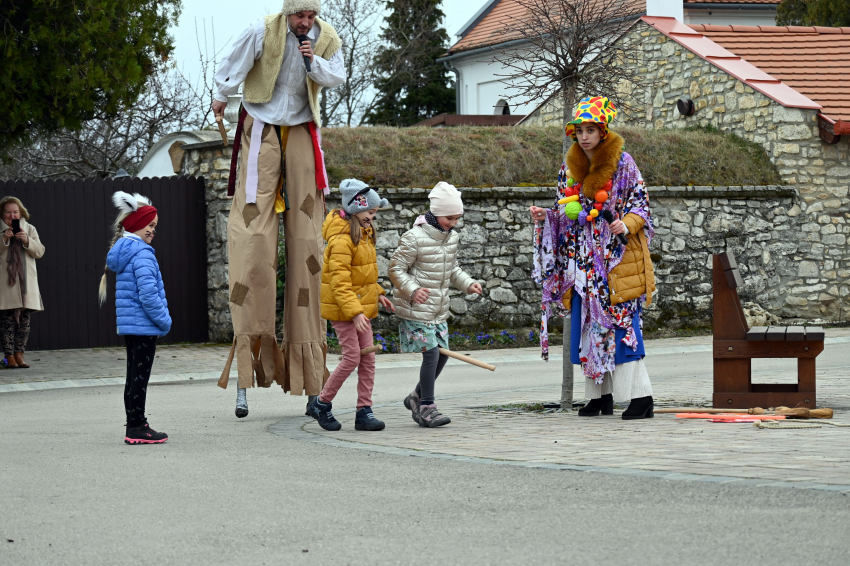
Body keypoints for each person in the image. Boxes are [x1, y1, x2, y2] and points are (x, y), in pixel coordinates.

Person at [211, 0, 346, 418]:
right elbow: (229, 62)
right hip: (262, 126)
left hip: (303, 129)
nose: (305, 23)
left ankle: (310, 380)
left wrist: (312, 63)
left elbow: (337, 77)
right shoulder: (261, 30)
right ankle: (248, 368)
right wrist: (220, 95)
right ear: (287, 13)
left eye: (310, 16)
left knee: (308, 245)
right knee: (253, 243)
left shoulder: (326, 38)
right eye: (299, 16)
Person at [529, 96, 656, 420]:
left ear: (602, 132)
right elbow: (563, 207)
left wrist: (623, 223)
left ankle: (642, 398)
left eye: (590, 130)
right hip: (582, 261)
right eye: (579, 131)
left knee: (622, 326)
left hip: (616, 259)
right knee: (587, 327)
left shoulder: (624, 163)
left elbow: (641, 206)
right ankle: (600, 396)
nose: (584, 136)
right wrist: (546, 216)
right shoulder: (568, 168)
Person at [389, 182, 483, 428]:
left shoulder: (452, 238)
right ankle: (427, 407)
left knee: (441, 356)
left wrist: (468, 283)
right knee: (431, 355)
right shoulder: (414, 237)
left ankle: (415, 397)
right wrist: (413, 290)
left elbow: (452, 270)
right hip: (415, 308)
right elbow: (396, 269)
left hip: (438, 309)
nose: (453, 223)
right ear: (435, 212)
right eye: (449, 218)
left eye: (456, 218)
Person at [307, 180, 394, 431]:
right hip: (343, 309)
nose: (372, 217)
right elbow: (340, 281)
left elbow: (362, 274)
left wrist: (377, 292)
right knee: (353, 357)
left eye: (375, 213)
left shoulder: (363, 234)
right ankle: (322, 404)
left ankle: (364, 411)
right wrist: (355, 312)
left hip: (358, 308)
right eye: (370, 212)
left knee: (368, 358)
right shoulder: (341, 241)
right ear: (356, 208)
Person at [99, 192, 172, 444]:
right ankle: (138, 427)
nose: (153, 231)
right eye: (150, 225)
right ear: (137, 224)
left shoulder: (125, 251)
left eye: (155, 226)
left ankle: (134, 424)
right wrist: (165, 322)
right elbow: (149, 295)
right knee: (139, 379)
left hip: (132, 327)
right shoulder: (141, 254)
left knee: (133, 377)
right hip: (143, 326)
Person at [0, 197, 45, 369]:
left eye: (15, 212)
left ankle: (20, 355)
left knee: (24, 322)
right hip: (5, 282)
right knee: (6, 322)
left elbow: (40, 251)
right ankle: (9, 357)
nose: (12, 215)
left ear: (21, 213)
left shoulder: (29, 228)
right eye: (8, 212)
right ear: (2, 214)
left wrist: (27, 240)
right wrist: (4, 239)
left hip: (26, 282)